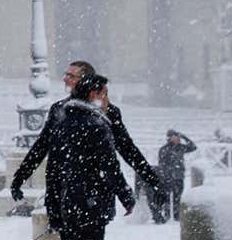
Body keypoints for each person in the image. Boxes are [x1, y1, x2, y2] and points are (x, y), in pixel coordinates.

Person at [36, 75, 135, 240]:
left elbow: (53, 171)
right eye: (103, 93)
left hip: (71, 205)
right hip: (90, 206)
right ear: (93, 94)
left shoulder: (63, 121)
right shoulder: (96, 125)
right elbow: (110, 168)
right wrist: (126, 195)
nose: (105, 99)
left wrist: (55, 208)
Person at [10, 60, 162, 211]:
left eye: (71, 76)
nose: (65, 79)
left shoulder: (107, 113)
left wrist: (151, 180)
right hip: (62, 191)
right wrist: (20, 178)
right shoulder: (59, 109)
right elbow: (41, 147)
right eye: (66, 74)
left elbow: (127, 150)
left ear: (86, 81)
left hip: (93, 194)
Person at [155, 130, 196, 223]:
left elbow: (193, 147)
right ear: (170, 138)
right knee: (167, 198)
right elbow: (161, 165)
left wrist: (184, 136)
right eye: (175, 136)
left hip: (179, 176)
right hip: (168, 178)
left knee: (178, 197)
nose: (178, 138)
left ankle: (177, 216)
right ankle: (167, 216)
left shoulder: (181, 148)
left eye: (178, 137)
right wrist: (165, 176)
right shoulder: (164, 149)